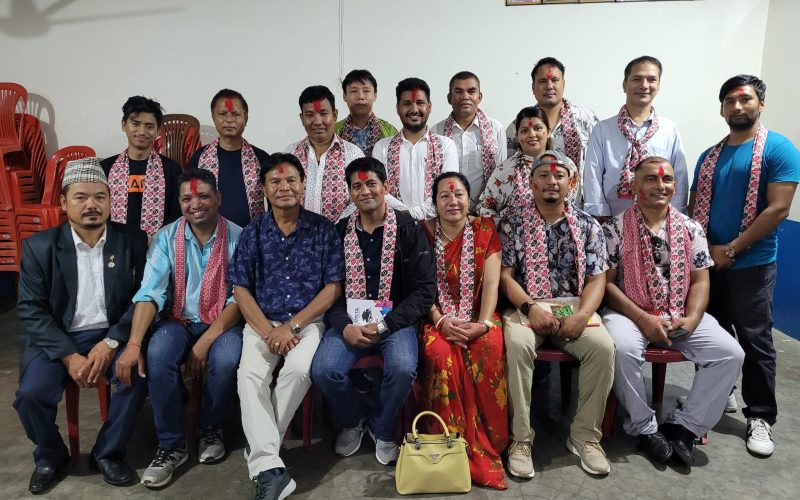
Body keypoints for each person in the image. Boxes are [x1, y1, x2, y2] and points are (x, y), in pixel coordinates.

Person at [14, 157, 148, 493]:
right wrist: (69, 355)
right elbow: (31, 309)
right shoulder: (39, 247)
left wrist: (113, 341)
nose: (92, 205)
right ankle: (50, 456)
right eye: (81, 197)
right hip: (59, 337)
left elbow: (143, 297)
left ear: (110, 200)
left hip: (110, 333)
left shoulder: (132, 240)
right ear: (63, 202)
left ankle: (108, 453)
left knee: (135, 377)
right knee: (31, 394)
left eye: (100, 197)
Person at [602, 157, 744, 467]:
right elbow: (607, 285)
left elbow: (701, 280)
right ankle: (644, 426)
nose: (660, 185)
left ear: (675, 186)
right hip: (630, 313)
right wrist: (642, 318)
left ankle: (685, 426)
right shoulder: (614, 228)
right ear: (634, 187)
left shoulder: (692, 228)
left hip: (679, 312)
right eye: (650, 179)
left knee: (730, 354)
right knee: (621, 349)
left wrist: (692, 318)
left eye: (666, 179)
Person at [689, 75, 800, 457]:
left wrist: (733, 248)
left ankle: (761, 415)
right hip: (709, 263)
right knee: (712, 336)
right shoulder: (710, 156)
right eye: (730, 101)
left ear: (760, 104)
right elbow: (695, 205)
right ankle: (721, 394)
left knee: (755, 340)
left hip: (751, 263)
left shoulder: (779, 149)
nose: (737, 107)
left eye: (745, 99)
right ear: (722, 108)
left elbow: (779, 208)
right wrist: (703, 252)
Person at [116, 168, 244, 488]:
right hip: (177, 321)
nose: (195, 204)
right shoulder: (165, 238)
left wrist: (207, 340)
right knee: (158, 353)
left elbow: (240, 298)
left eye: (203, 196)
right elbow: (151, 292)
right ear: (180, 202)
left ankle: (212, 429)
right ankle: (171, 444)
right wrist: (134, 344)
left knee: (227, 358)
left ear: (218, 198)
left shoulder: (239, 237)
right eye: (187, 199)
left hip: (223, 322)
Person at [228, 153, 344, 499]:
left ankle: (261, 452)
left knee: (298, 371)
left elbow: (333, 288)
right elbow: (240, 289)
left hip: (307, 322)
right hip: (262, 322)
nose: (284, 187)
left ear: (303, 185)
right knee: (249, 376)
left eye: (291, 179)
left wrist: (292, 326)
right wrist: (269, 331)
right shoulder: (253, 232)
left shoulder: (323, 229)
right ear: (264, 189)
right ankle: (270, 465)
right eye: (275, 181)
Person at [311, 157, 436, 466]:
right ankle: (354, 419)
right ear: (350, 193)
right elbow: (330, 289)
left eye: (371, 184)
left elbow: (424, 291)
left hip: (394, 322)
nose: (365, 191)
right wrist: (344, 326)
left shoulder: (408, 229)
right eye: (357, 186)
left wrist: (385, 325)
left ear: (386, 187)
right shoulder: (340, 232)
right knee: (323, 370)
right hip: (350, 321)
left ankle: (382, 427)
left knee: (403, 368)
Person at [499, 150, 614, 478]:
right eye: (544, 175)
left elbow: (597, 279)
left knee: (603, 348)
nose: (552, 181)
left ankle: (585, 437)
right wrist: (530, 308)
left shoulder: (588, 225)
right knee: (517, 345)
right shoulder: (512, 222)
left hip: (573, 307)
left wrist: (583, 315)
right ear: (531, 182)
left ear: (571, 182)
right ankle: (520, 440)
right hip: (526, 306)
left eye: (559, 175)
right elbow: (505, 277)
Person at [419, 172, 508, 489]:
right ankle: (447, 443)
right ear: (435, 202)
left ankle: (491, 441)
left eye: (459, 195)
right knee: (440, 352)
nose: (452, 201)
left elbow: (493, 284)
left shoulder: (485, 229)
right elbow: (419, 288)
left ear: (470, 199)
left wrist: (482, 324)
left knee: (488, 346)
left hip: (479, 314)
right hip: (436, 318)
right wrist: (440, 320)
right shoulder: (423, 232)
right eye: (444, 196)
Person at [583, 56, 689, 221]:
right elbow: (593, 176)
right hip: (613, 222)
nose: (644, 85)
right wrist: (600, 217)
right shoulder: (603, 130)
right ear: (624, 84)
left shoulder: (669, 130)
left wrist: (675, 216)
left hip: (659, 222)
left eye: (651, 80)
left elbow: (679, 178)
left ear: (658, 86)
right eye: (637, 79)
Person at [506, 58, 598, 205]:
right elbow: (508, 168)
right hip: (532, 209)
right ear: (533, 87)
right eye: (543, 81)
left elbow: (599, 165)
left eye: (554, 80)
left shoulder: (586, 119)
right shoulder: (518, 126)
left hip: (579, 207)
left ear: (563, 84)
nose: (549, 86)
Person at [372, 77, 459, 220]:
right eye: (407, 104)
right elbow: (379, 190)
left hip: (435, 226)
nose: (414, 110)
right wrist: (406, 218)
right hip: (393, 226)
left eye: (420, 103)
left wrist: (409, 215)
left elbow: (448, 190)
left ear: (429, 106)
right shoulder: (382, 147)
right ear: (397, 108)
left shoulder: (446, 146)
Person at [101, 95, 182, 239]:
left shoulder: (171, 170)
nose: (142, 131)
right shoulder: (105, 168)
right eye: (136, 124)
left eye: (149, 126)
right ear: (124, 124)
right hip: (114, 243)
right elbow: (99, 207)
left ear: (158, 131)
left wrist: (158, 239)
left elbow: (177, 212)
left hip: (158, 244)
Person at [188, 88, 269, 228]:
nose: (229, 120)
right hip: (210, 236)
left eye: (236, 114)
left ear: (246, 119)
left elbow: (275, 203)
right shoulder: (199, 158)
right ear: (213, 118)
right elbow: (189, 201)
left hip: (253, 235)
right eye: (222, 114)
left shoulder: (261, 158)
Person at [285, 85, 364, 222]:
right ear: (302, 118)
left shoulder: (353, 155)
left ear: (335, 115)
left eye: (323, 113)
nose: (317, 121)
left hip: (339, 233)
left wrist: (336, 229)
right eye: (310, 115)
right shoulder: (290, 154)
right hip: (297, 234)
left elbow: (360, 200)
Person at [431, 71, 507, 204]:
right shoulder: (436, 132)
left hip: (487, 208)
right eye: (459, 92)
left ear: (479, 97)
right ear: (449, 98)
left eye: (471, 91)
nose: (465, 96)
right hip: (448, 208)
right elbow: (432, 177)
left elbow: (501, 174)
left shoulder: (495, 129)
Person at [477, 106, 551, 221]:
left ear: (549, 132)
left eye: (537, 128)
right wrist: (506, 227)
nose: (532, 134)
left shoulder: (566, 167)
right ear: (517, 136)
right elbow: (485, 208)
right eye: (524, 130)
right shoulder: (504, 170)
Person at [335, 69, 398, 157]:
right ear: (345, 96)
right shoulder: (334, 131)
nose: (360, 96)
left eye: (366, 91)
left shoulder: (390, 131)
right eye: (354, 91)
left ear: (375, 95)